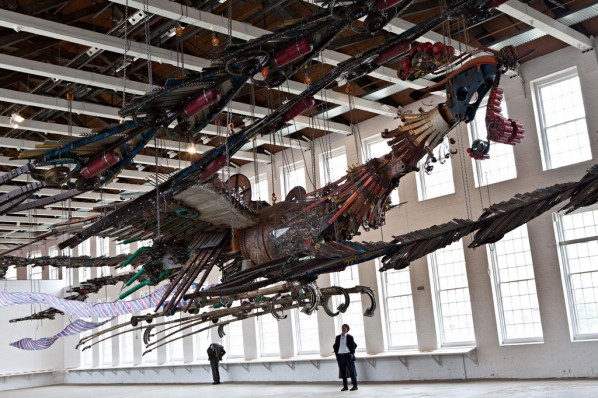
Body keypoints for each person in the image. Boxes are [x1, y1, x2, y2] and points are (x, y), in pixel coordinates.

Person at [333, 323, 358, 391]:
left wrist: (352, 354)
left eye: (345, 327)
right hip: (340, 356)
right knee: (343, 372)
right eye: (342, 327)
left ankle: (355, 386)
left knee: (352, 371)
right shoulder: (338, 337)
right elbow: (335, 346)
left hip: (348, 355)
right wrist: (336, 354)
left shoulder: (350, 337)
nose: (343, 328)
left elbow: (353, 346)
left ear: (347, 329)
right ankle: (345, 387)